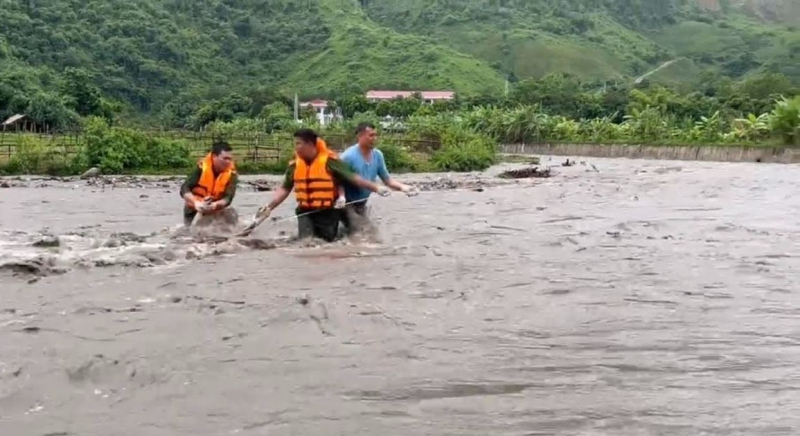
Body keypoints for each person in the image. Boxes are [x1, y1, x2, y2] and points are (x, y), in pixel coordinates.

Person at [258, 129, 390, 242]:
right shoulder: (295, 165)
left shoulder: (330, 161)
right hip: (305, 212)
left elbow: (354, 178)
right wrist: (269, 207)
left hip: (328, 212)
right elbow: (285, 189)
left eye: (298, 144)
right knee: (305, 243)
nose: (296, 147)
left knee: (327, 243)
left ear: (310, 144)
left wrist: (376, 188)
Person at [339, 122, 417, 234]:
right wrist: (341, 196)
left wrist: (403, 187)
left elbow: (387, 180)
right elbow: (337, 179)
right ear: (360, 136)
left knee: (364, 231)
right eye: (371, 135)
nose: (375, 138)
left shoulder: (378, 155)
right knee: (362, 232)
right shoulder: (348, 156)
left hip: (362, 203)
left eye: (376, 135)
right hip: (346, 203)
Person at [180, 141, 239, 228]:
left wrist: (215, 205)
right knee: (188, 230)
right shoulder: (201, 168)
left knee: (231, 214)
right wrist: (196, 203)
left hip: (216, 206)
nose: (228, 162)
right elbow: (184, 188)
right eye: (225, 158)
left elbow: (228, 198)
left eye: (230, 159)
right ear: (214, 156)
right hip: (196, 205)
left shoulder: (232, 174)